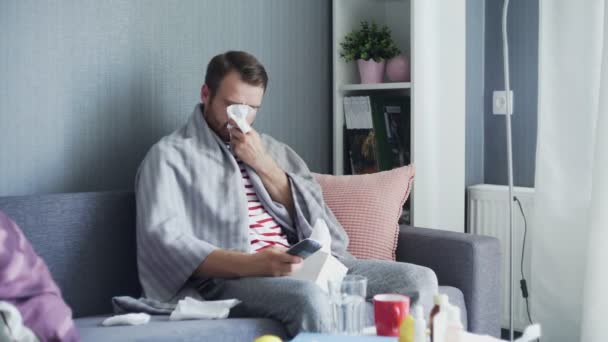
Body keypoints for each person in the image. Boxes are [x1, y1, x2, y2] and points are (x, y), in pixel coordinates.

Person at [135, 50, 438, 337]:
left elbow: (325, 225)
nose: (240, 118)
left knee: (418, 280)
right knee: (308, 297)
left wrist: (264, 165)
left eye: (251, 109)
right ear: (205, 94)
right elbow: (164, 243)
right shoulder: (169, 157)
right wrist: (255, 263)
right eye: (232, 106)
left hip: (300, 264)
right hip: (232, 279)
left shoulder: (274, 151)